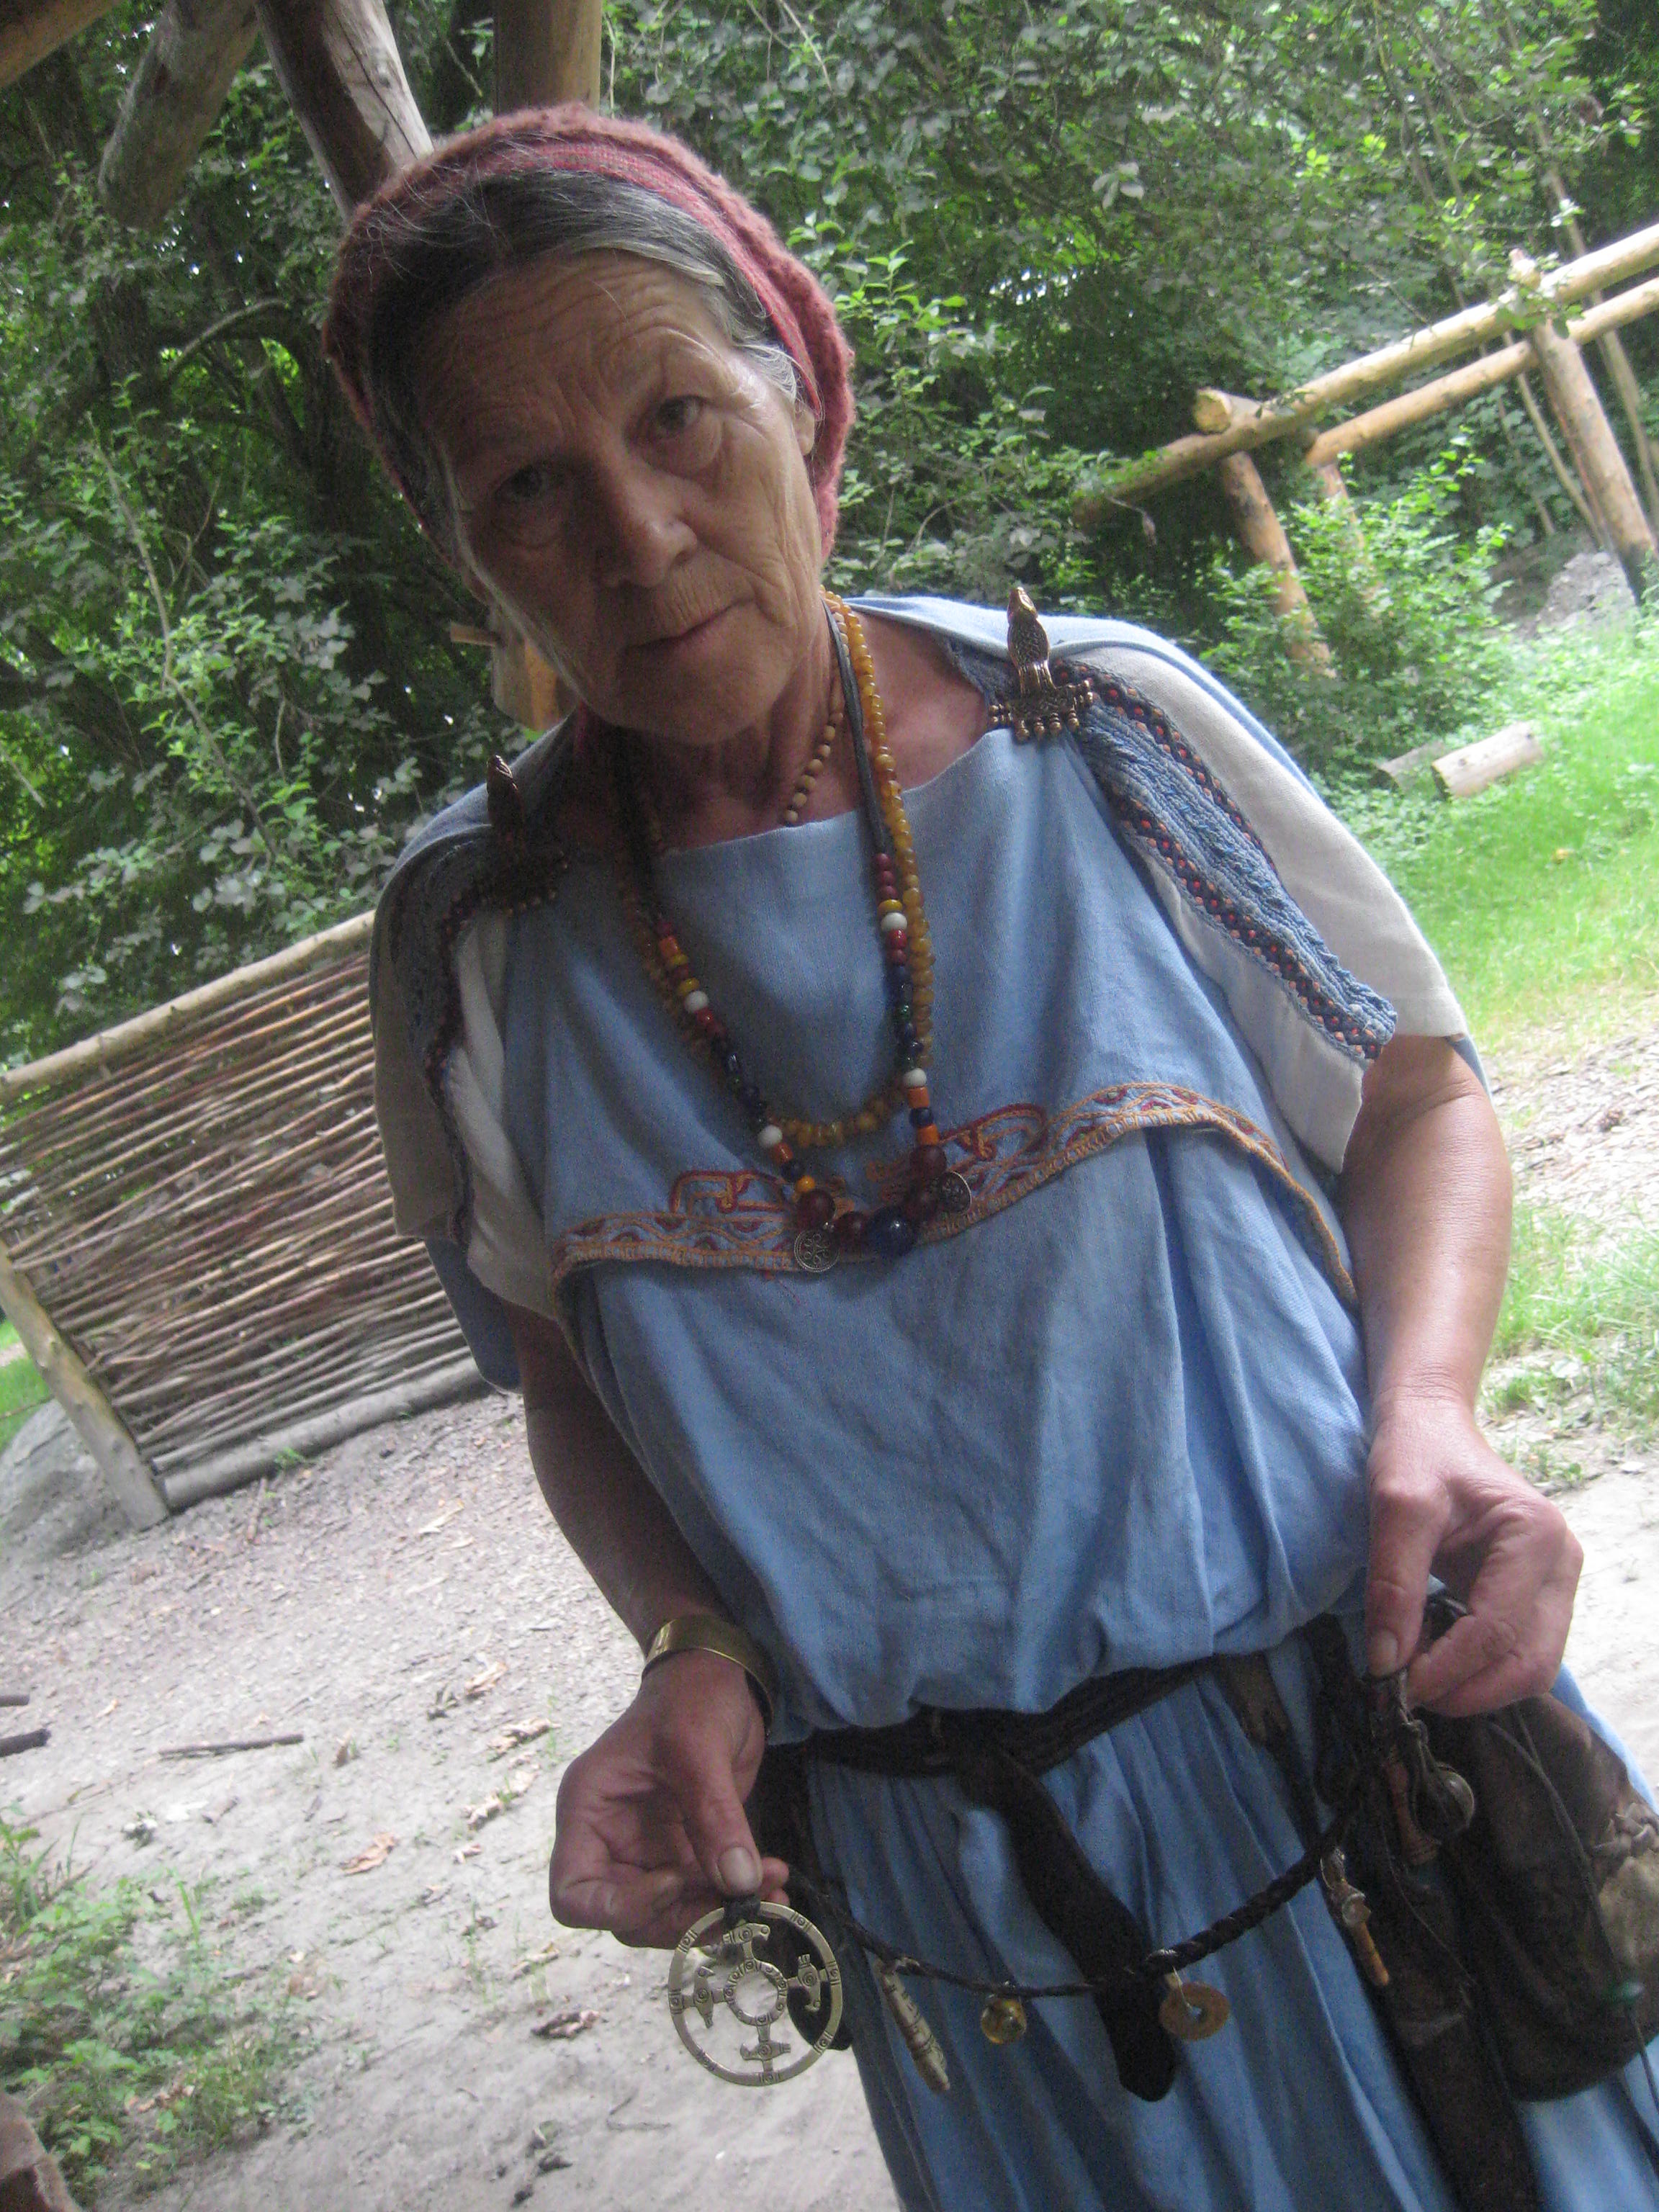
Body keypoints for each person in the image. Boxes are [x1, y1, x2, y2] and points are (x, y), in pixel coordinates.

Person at [325, 106, 1659, 2211]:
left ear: (801, 394)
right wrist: (685, 1645)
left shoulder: (1101, 736)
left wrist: (1429, 1415)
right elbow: (566, 1371)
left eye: (678, 418)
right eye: (528, 486)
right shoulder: (480, 947)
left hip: (1364, 1780)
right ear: (460, 545)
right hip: (958, 1926)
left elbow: (1412, 1098)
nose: (641, 536)